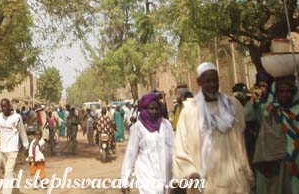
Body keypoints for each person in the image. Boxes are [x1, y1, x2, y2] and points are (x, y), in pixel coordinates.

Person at [172, 62, 253, 193]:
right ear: (199, 82)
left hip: (234, 179)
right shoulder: (190, 110)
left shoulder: (233, 105)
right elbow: (181, 147)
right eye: (207, 81)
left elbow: (241, 138)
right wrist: (190, 172)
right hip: (204, 181)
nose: (213, 85)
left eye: (215, 80)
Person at [248, 75, 299, 193]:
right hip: (277, 165)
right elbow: (247, 117)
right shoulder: (269, 112)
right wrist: (253, 102)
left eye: (288, 91)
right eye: (281, 91)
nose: (285, 94)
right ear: (276, 93)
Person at [121, 93, 174, 194]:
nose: (154, 111)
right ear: (144, 109)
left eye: (156, 108)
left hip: (166, 175)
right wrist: (125, 179)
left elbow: (173, 148)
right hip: (147, 175)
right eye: (151, 108)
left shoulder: (166, 125)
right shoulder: (137, 128)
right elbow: (130, 154)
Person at [0, 98, 29, 194]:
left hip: (13, 149)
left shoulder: (17, 117)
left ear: (10, 106)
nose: (4, 109)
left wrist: (26, 146)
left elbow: (22, 131)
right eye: (2, 107)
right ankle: (16, 191)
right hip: (3, 149)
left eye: (5, 106)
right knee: (9, 172)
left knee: (8, 172)